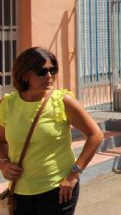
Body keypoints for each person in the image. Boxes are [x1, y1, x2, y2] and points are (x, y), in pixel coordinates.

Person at [0, 47, 103, 215]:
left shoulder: (62, 101)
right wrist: (3, 164)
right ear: (25, 74)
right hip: (19, 192)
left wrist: (73, 175)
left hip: (58, 191)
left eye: (52, 70)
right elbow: (1, 141)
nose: (49, 76)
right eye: (42, 71)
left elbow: (95, 135)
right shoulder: (8, 104)